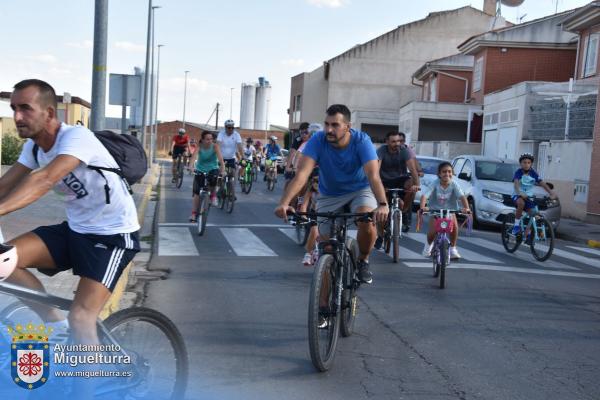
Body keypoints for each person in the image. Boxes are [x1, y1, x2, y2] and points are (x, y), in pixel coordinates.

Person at [0, 79, 140, 347]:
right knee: (3, 262)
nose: (17, 117)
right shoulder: (33, 147)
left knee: (81, 318)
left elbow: (44, 179)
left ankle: (84, 388)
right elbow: (6, 184)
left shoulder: (76, 138)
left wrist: (3, 209)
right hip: (75, 230)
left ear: (49, 113)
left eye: (25, 108)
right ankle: (55, 326)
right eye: (14, 108)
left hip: (111, 237)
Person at [275, 104, 389, 284]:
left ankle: (363, 261)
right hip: (329, 194)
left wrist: (382, 204)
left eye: (335, 125)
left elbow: (373, 175)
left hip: (359, 189)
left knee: (366, 219)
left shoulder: (361, 141)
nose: (329, 129)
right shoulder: (317, 141)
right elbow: (302, 175)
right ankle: (323, 308)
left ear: (347, 126)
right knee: (327, 251)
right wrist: (284, 202)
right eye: (326, 124)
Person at [375, 132, 420, 247]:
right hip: (384, 180)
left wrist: (417, 185)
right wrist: (377, 185)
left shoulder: (404, 150)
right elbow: (376, 169)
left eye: (398, 141)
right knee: (381, 209)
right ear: (387, 142)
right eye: (393, 141)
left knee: (411, 185)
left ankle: (404, 210)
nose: (397, 144)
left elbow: (413, 170)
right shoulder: (381, 150)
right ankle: (380, 236)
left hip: (401, 180)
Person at [419, 162, 470, 259]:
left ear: (452, 174)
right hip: (435, 210)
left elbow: (462, 197)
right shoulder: (435, 184)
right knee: (432, 232)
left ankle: (453, 249)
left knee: (454, 227)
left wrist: (467, 208)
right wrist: (422, 207)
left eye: (449, 172)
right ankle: (428, 247)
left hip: (450, 210)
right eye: (444, 172)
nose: (447, 174)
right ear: (439, 174)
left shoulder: (454, 184)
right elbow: (424, 196)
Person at [512, 153, 557, 235]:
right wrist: (520, 192)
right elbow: (516, 184)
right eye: (524, 162)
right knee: (521, 203)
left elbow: (542, 183)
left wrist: (551, 192)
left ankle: (527, 232)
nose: (526, 164)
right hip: (518, 194)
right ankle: (516, 225)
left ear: (531, 164)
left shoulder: (533, 173)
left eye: (529, 163)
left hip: (528, 196)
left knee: (534, 214)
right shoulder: (518, 172)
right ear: (521, 163)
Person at [191, 131, 225, 220]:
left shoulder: (215, 146)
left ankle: (213, 196)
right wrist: (190, 167)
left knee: (214, 181)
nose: (210, 141)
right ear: (202, 140)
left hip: (212, 168)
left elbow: (221, 160)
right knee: (197, 193)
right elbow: (193, 157)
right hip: (200, 169)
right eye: (207, 139)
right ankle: (194, 214)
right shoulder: (199, 146)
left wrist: (223, 170)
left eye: (211, 139)